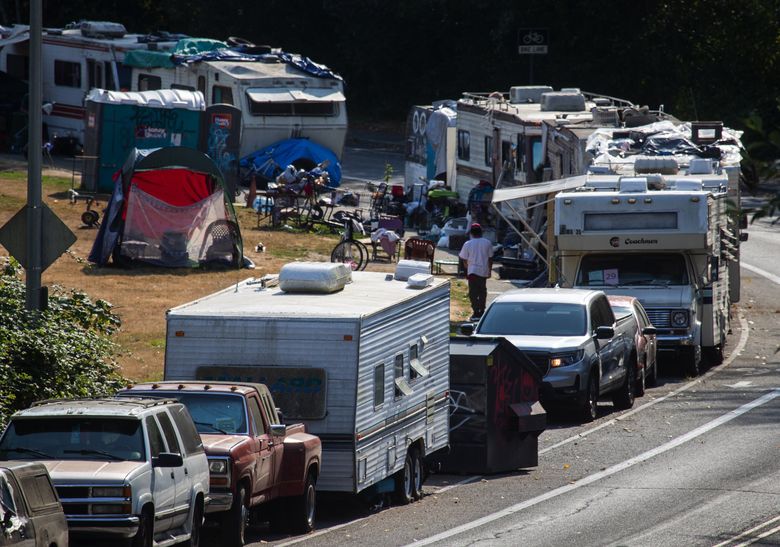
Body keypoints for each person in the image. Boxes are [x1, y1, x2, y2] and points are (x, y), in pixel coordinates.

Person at [459, 223, 493, 321]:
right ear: (481, 232)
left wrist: (466, 267)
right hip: (483, 272)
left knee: (473, 292)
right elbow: (490, 258)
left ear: (471, 233)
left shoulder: (468, 244)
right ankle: (482, 311)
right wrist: (489, 270)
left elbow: (463, 258)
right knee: (482, 291)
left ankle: (476, 311)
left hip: (472, 272)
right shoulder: (487, 243)